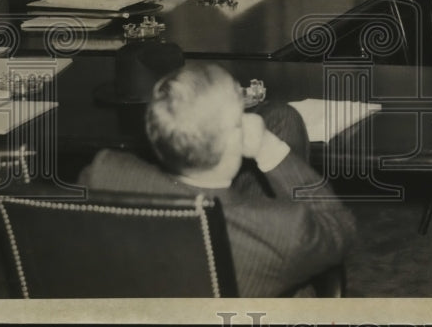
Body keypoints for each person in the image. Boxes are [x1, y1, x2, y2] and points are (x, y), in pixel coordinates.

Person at [79, 62, 356, 297]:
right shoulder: (285, 231)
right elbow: (338, 226)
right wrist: (268, 148)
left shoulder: (103, 172)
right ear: (235, 138)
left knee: (281, 117)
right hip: (248, 289)